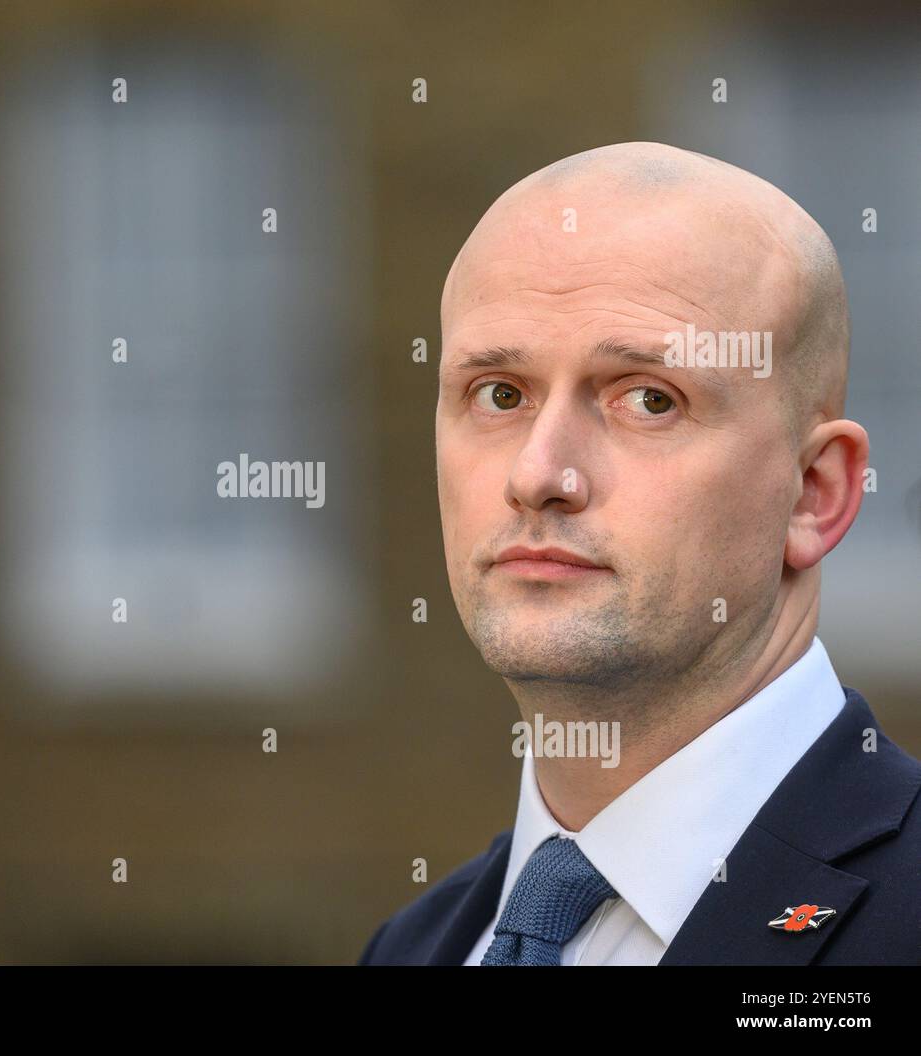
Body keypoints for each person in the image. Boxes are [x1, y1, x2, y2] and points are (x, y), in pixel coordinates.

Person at [358, 142, 921, 965]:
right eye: (500, 395)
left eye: (649, 400)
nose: (538, 475)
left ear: (813, 493)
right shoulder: (413, 949)